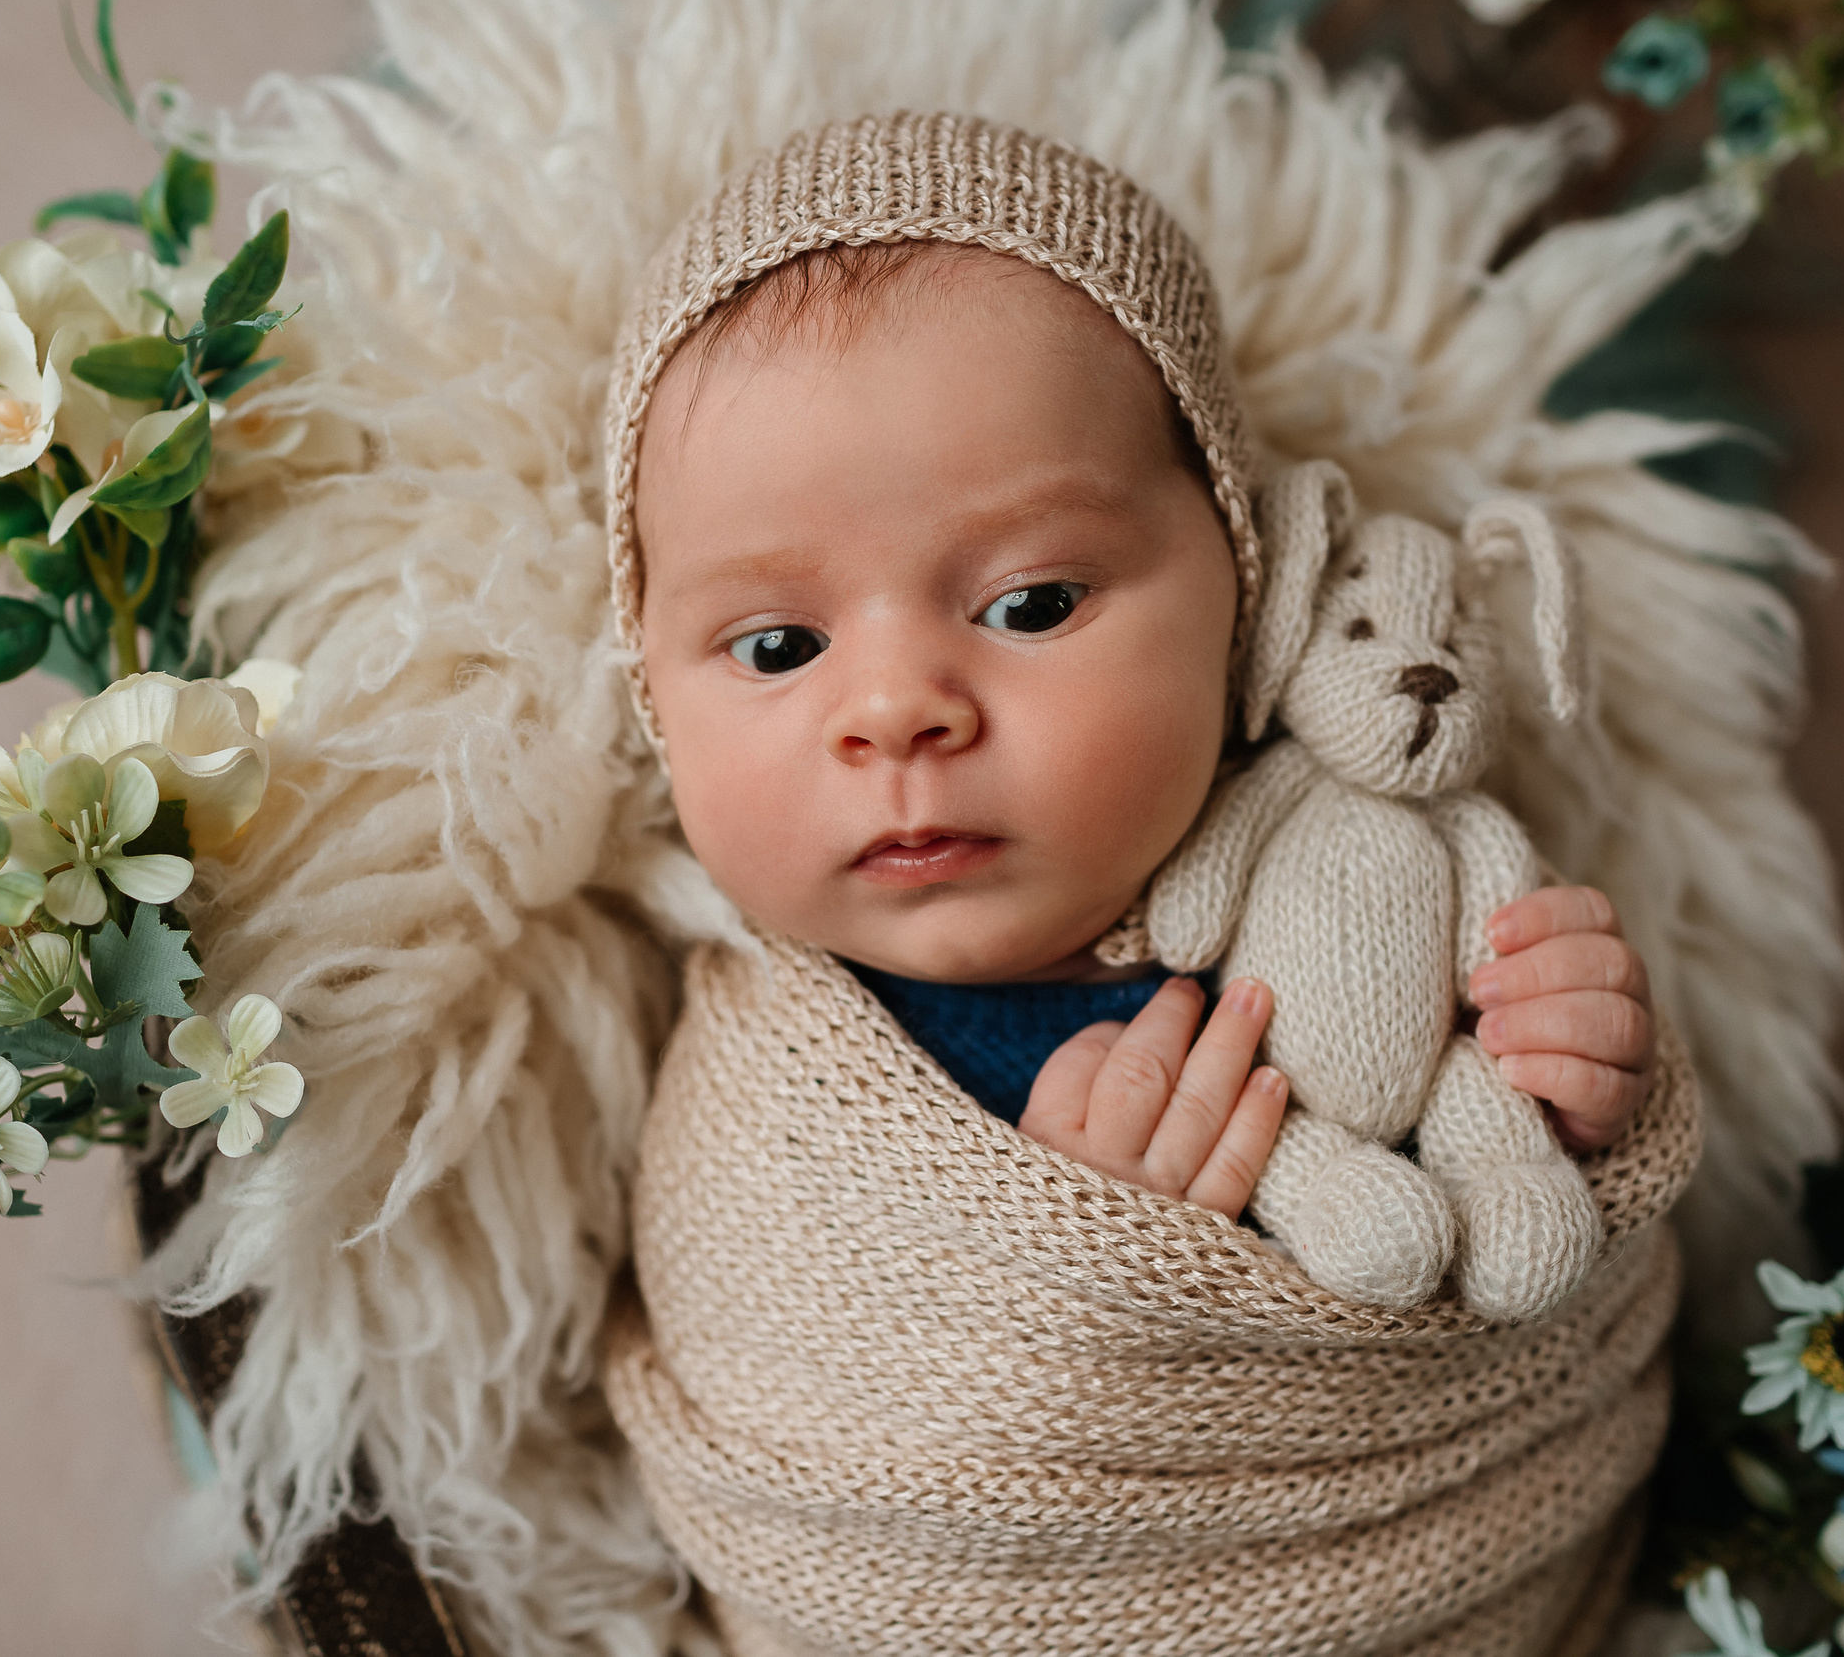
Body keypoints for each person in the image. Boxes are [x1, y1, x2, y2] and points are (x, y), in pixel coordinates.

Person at [623, 232, 1655, 1228]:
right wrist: (1073, 1257)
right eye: (777, 648)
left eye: (1030, 605)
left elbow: (1532, 1243)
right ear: (649, 691)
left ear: (1245, 593)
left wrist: (1563, 1086)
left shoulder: (1369, 875)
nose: (895, 713)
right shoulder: (760, 1094)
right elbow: (776, 1333)